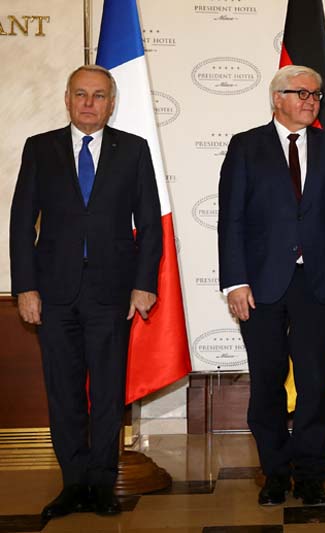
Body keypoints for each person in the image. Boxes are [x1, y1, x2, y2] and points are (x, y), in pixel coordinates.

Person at [9, 65, 162, 518]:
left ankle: (101, 484)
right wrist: (25, 287)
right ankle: (73, 484)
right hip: (54, 293)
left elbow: (149, 225)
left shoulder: (133, 150)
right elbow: (21, 223)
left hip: (111, 292)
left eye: (98, 95)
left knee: (108, 392)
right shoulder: (41, 149)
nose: (89, 103)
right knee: (64, 391)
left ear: (112, 103)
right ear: (67, 99)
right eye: (81, 94)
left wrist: (144, 284)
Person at [217, 65, 325, 507]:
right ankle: (275, 473)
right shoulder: (245, 146)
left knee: (315, 383)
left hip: (318, 283)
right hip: (260, 285)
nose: (311, 101)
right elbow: (231, 219)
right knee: (267, 381)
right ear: (277, 98)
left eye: (316, 95)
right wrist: (234, 281)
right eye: (302, 93)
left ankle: (312, 476)